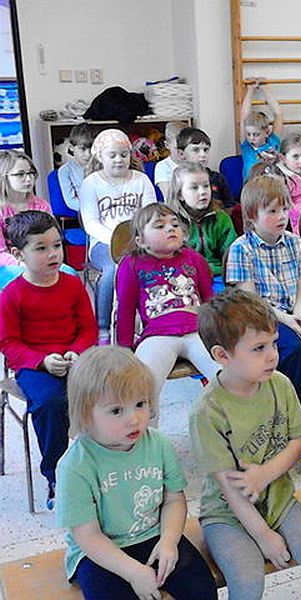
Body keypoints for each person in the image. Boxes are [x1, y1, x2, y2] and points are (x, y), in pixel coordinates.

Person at [190, 289, 301, 600]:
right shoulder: (207, 411)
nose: (273, 355)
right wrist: (264, 535)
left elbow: (298, 440)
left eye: (273, 343)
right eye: (259, 348)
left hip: (279, 500)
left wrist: (264, 475)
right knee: (248, 581)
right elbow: (230, 489)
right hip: (227, 515)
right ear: (222, 356)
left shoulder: (279, 384)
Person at [55, 346, 217, 600]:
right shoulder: (75, 465)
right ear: (86, 414)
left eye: (140, 404)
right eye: (116, 410)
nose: (134, 419)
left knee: (202, 588)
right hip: (100, 553)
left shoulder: (158, 443)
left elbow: (174, 499)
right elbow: (87, 536)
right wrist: (134, 572)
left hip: (154, 534)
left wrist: (169, 541)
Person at [0, 211, 97, 509]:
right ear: (19, 254)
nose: (53, 253)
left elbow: (89, 329)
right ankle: (57, 475)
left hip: (75, 358)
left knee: (109, 390)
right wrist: (42, 361)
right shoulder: (11, 295)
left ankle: (105, 464)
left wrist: (76, 351)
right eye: (41, 248)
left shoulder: (72, 285)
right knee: (50, 403)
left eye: (56, 245)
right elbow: (8, 343)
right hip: (34, 365)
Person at [226, 175, 301, 420]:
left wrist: (299, 314)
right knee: (292, 350)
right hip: (263, 316)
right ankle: (297, 413)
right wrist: (288, 320)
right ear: (252, 216)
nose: (281, 216)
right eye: (272, 211)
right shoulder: (241, 248)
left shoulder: (295, 242)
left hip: (296, 311)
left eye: (284, 209)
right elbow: (251, 300)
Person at [115, 203, 219, 406]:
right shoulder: (131, 264)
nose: (170, 228)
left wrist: (217, 335)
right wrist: (124, 349)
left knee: (228, 378)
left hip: (197, 332)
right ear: (141, 241)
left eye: (175, 224)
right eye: (159, 225)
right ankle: (145, 427)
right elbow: (125, 311)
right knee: (143, 391)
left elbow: (209, 300)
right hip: (157, 335)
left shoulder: (194, 259)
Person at [79, 129, 157, 343]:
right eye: (112, 155)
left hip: (139, 240)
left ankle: (152, 320)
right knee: (112, 270)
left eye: (124, 154)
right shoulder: (91, 183)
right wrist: (117, 242)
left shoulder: (141, 180)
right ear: (100, 156)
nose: (119, 160)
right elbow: (91, 223)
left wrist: (140, 239)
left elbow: (150, 214)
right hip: (103, 243)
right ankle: (102, 328)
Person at [167, 162, 236, 292]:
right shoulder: (172, 223)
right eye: (194, 188)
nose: (203, 192)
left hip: (217, 277)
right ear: (180, 194)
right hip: (184, 278)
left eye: (206, 186)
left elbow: (231, 255)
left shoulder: (221, 218)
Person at [0, 150, 60, 289]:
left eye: (31, 173)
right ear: (3, 177)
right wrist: (25, 263)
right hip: (10, 264)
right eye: (20, 174)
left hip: (43, 259)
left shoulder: (42, 205)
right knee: (29, 283)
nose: (28, 179)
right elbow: (1, 252)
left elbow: (51, 240)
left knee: (70, 274)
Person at [176, 127, 233, 209]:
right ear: (181, 154)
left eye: (205, 150)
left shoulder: (218, 179)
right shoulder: (178, 178)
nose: (203, 155)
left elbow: (230, 207)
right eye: (196, 150)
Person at [239, 80, 283, 179]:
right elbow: (243, 116)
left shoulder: (273, 142)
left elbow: (278, 114)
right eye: (248, 134)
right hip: (252, 185)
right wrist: (250, 89)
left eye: (256, 134)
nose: (251, 138)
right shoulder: (247, 147)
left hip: (273, 183)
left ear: (267, 132)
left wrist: (264, 88)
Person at [57, 123, 94, 211]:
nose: (88, 154)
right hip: (86, 212)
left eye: (91, 149)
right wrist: (94, 209)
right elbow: (71, 201)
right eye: (82, 149)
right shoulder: (65, 171)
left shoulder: (101, 165)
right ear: (71, 148)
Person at [153, 120, 189, 198]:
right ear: (167, 145)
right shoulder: (162, 166)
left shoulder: (193, 163)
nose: (182, 152)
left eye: (186, 147)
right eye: (177, 148)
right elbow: (169, 197)